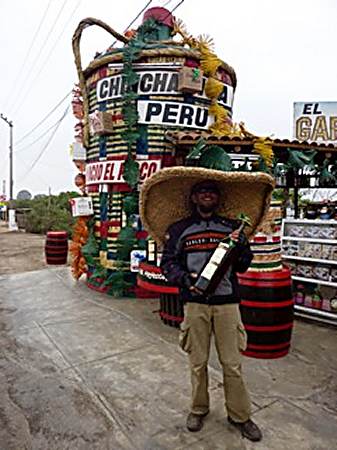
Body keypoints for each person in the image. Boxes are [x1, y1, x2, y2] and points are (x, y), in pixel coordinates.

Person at [160, 179, 262, 442]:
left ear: (218, 198)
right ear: (194, 198)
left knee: (233, 364)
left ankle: (240, 416)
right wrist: (186, 279)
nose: (207, 195)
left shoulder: (231, 228)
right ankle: (198, 409)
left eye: (212, 192)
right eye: (202, 192)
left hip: (227, 304)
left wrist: (240, 246)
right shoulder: (179, 229)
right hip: (194, 306)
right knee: (197, 363)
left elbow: (243, 266)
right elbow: (168, 264)